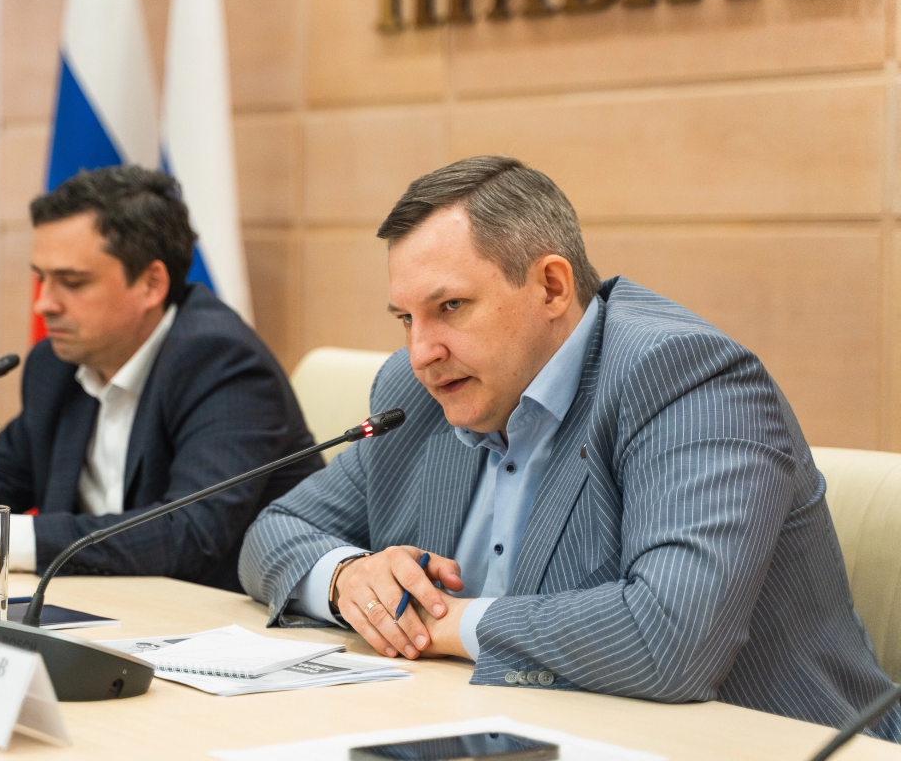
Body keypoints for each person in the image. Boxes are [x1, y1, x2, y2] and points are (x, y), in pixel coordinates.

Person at [238, 155, 901, 739]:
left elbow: (669, 638)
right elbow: (276, 530)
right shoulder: (416, 394)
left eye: (451, 307)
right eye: (407, 319)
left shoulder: (685, 379)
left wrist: (443, 623)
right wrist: (348, 580)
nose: (421, 352)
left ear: (551, 286)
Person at [0, 165, 321, 592]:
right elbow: (6, 471)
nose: (43, 304)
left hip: (220, 617)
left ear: (151, 284)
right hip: (107, 607)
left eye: (72, 282)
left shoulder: (220, 361)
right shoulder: (56, 363)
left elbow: (188, 535)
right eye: (41, 278)